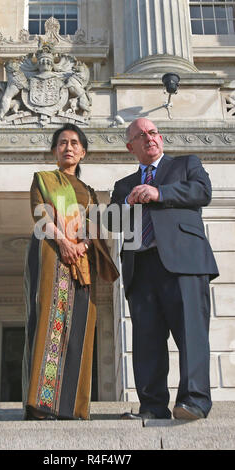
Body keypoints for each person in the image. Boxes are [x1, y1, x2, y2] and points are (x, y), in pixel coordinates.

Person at [109, 117, 219, 420]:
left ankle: (193, 401)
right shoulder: (123, 186)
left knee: (191, 334)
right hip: (141, 268)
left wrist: (160, 193)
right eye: (141, 135)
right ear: (131, 146)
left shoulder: (185, 165)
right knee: (147, 343)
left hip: (184, 263)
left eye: (153, 132)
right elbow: (110, 221)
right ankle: (153, 407)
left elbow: (203, 192)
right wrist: (128, 205)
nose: (150, 138)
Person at [22, 123, 119, 421]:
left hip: (82, 261)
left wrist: (83, 244)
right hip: (51, 252)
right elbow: (41, 215)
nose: (68, 147)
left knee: (79, 326)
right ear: (54, 150)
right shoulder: (44, 179)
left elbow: (93, 227)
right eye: (62, 142)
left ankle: (71, 407)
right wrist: (64, 241)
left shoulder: (88, 192)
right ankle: (42, 403)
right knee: (51, 322)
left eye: (75, 143)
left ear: (83, 152)